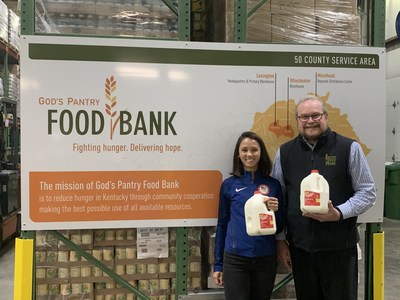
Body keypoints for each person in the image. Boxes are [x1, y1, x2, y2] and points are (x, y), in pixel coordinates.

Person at [272, 95, 376, 300]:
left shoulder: (348, 148)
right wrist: (281, 240)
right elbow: (280, 199)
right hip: (300, 250)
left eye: (315, 115)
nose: (310, 121)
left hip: (339, 249)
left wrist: (338, 213)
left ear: (326, 117)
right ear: (297, 121)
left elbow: (367, 192)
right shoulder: (284, 153)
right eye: (304, 117)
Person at [213, 131, 284, 300]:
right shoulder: (229, 186)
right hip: (235, 260)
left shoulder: (273, 185)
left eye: (254, 150)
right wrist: (218, 265)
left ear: (261, 153)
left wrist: (276, 211)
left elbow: (279, 227)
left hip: (265, 259)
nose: (249, 154)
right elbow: (222, 225)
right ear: (238, 154)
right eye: (244, 150)